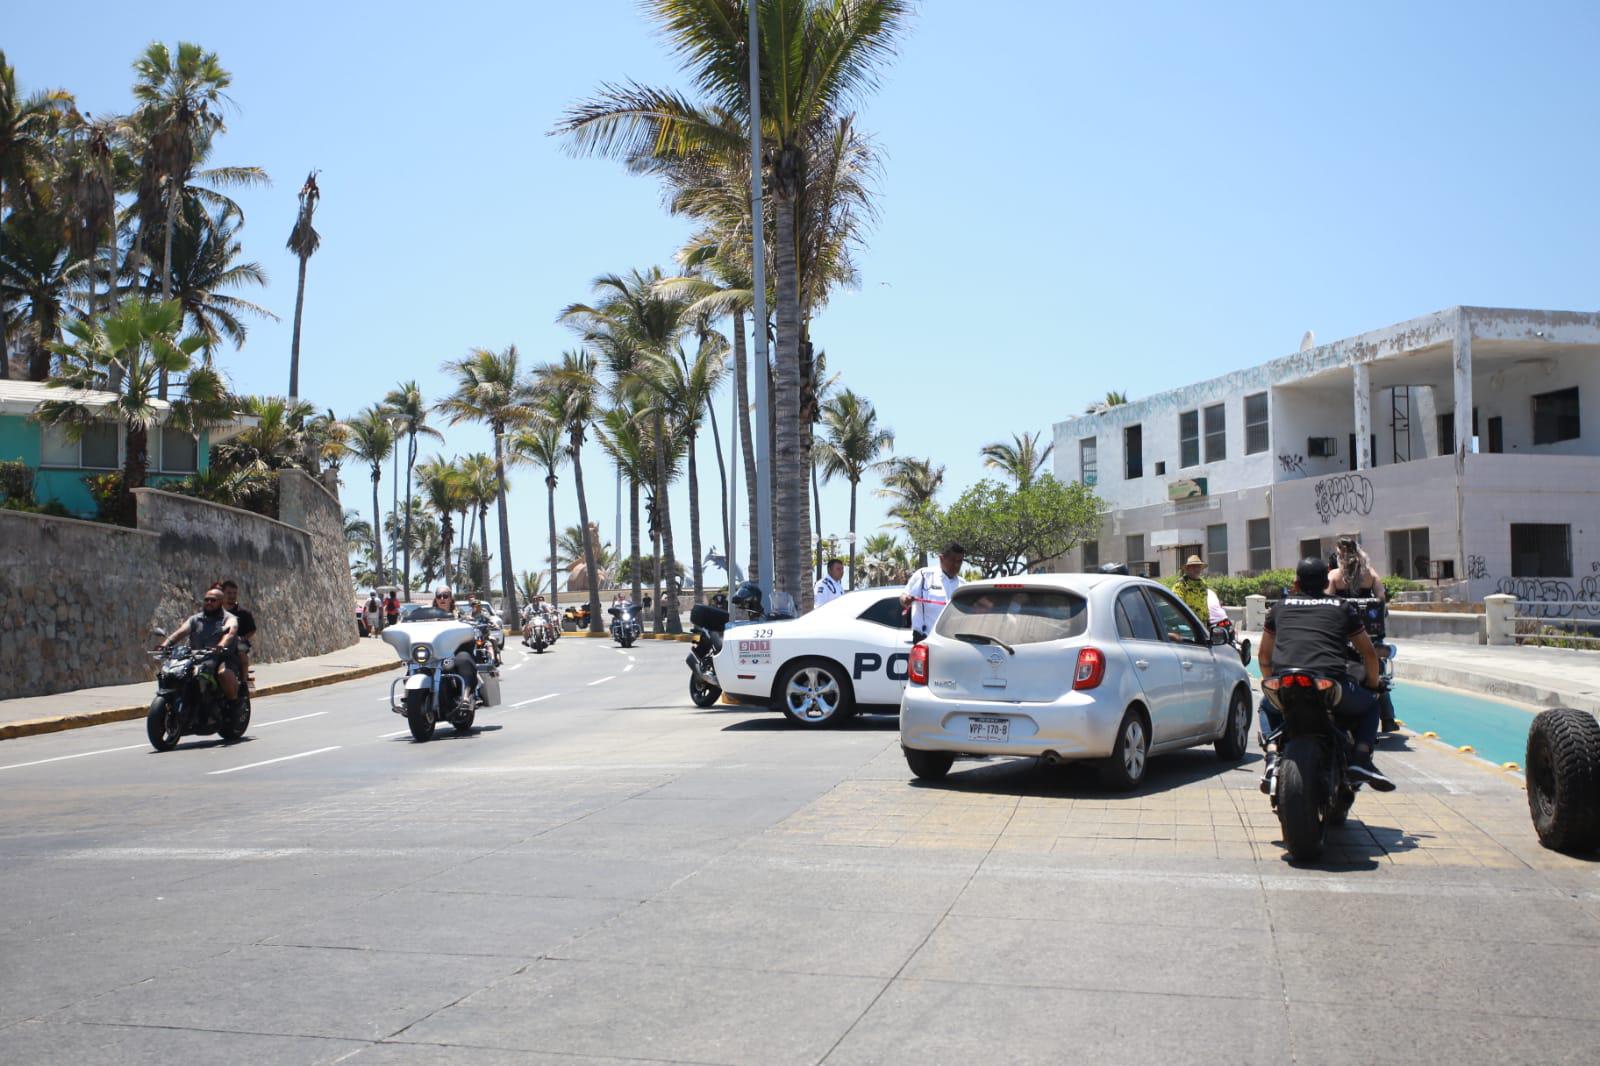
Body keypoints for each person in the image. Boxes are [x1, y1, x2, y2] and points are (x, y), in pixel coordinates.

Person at [1257, 558, 1394, 794]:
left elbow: (1263, 656)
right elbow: (1369, 655)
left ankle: (1271, 755)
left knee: (1266, 706)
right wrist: (1373, 685)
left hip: (1287, 681)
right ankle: (1360, 759)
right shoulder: (1342, 607)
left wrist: (1273, 682)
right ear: (1325, 582)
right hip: (1330, 684)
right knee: (1371, 705)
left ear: (1296, 583)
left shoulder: (1279, 607)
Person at [158, 586, 242, 705]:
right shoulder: (195, 619)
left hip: (222, 657)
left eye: (213, 600)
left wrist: (221, 645)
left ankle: (234, 706)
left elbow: (230, 633)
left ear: (221, 602)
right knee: (178, 673)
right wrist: (165, 644)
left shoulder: (229, 618)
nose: (209, 603)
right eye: (207, 600)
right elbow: (180, 633)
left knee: (223, 673)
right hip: (198, 657)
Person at [411, 586, 479, 709]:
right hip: (434, 653)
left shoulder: (459, 615)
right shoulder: (427, 617)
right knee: (414, 662)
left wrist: (469, 621)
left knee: (464, 659)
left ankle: (465, 697)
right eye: (439, 596)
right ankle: (410, 699)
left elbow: (470, 625)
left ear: (450, 599)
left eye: (445, 596)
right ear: (435, 599)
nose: (442, 598)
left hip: (454, 651)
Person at [901, 542, 965, 640]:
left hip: (953, 642)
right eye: (952, 560)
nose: (956, 565)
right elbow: (903, 598)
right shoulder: (924, 576)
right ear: (941, 558)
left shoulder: (963, 585)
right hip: (925, 639)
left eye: (959, 561)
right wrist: (906, 600)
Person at [219, 580, 256, 685]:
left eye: (234, 593)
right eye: (229, 593)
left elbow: (252, 629)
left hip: (238, 642)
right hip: (219, 642)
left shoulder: (243, 613)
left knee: (242, 655)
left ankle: (244, 682)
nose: (232, 596)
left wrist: (243, 638)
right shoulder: (216, 612)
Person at [1329, 536, 1385, 603]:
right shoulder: (1370, 572)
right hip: (1365, 612)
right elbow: (1381, 598)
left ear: (1339, 555)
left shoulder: (1333, 575)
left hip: (1342, 612)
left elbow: (1327, 601)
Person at [1173, 555, 1211, 621]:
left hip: (1203, 624)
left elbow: (1205, 604)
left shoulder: (1203, 583)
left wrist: (1208, 619)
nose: (1197, 569)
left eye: (1198, 567)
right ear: (1187, 569)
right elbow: (1177, 606)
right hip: (1189, 624)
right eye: (1193, 566)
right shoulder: (1181, 584)